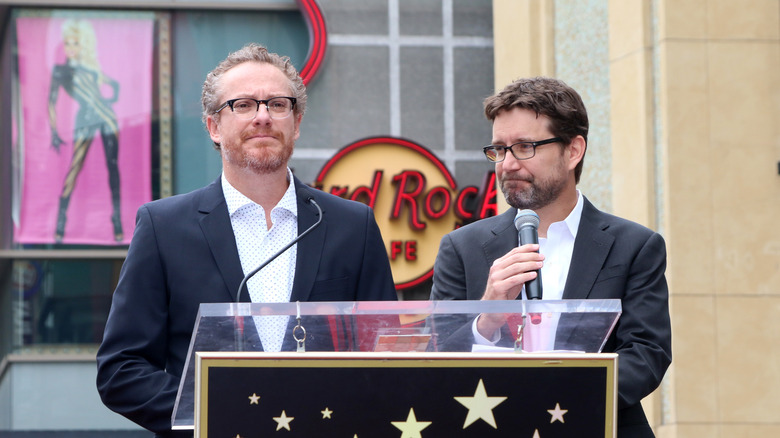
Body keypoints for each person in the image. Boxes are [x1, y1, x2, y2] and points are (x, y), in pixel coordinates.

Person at [96, 43, 397, 437]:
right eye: (242, 105)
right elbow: (123, 369)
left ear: (297, 121)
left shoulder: (350, 224)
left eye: (277, 104)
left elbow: (387, 353)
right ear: (213, 127)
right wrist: (222, 410)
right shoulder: (162, 227)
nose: (262, 116)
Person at [429, 77, 671, 437]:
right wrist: (488, 316)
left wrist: (555, 403)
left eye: (524, 147)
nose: (507, 164)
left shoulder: (634, 245)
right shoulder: (461, 247)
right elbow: (434, 357)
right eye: (499, 149)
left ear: (573, 151)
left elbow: (647, 354)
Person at [49, 19, 123, 242]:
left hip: (106, 116)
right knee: (75, 166)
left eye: (75, 43)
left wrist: (110, 99)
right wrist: (54, 130)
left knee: (112, 167)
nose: (71, 48)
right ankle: (61, 219)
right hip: (85, 119)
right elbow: (51, 102)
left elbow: (115, 86)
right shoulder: (60, 71)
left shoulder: (90, 69)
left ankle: (116, 218)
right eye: (68, 44)